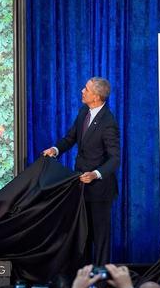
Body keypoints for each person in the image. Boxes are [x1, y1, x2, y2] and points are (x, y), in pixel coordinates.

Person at [43, 77, 120, 265]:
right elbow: (70, 138)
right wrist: (56, 149)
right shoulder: (84, 111)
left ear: (96, 96)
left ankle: (101, 281)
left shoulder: (108, 122)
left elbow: (115, 158)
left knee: (100, 237)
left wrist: (95, 174)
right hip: (81, 186)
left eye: (85, 89)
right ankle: (84, 276)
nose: (81, 91)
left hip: (100, 189)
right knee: (83, 234)